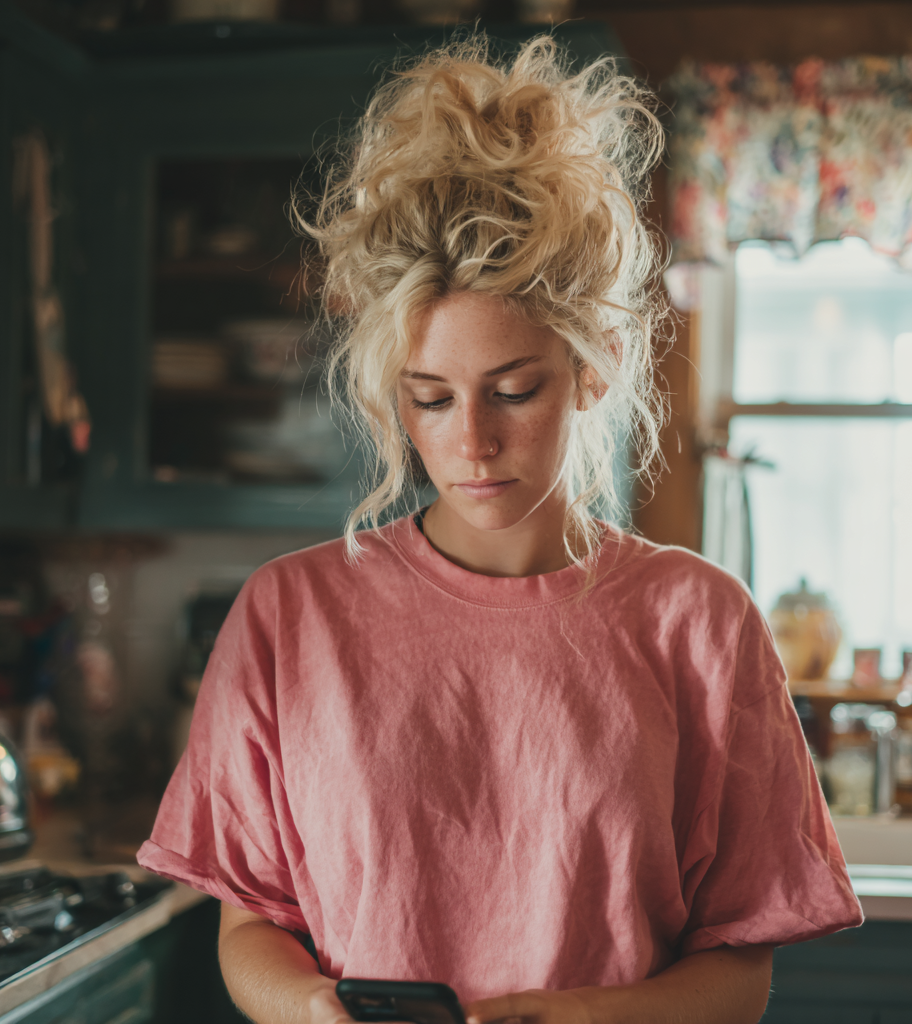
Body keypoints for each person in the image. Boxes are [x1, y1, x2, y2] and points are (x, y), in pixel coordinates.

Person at [137, 34, 863, 1024]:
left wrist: (585, 1017)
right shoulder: (287, 615)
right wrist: (310, 1008)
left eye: (514, 390)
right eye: (429, 397)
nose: (470, 441)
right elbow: (248, 924)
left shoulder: (699, 622)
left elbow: (739, 969)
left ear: (595, 365)